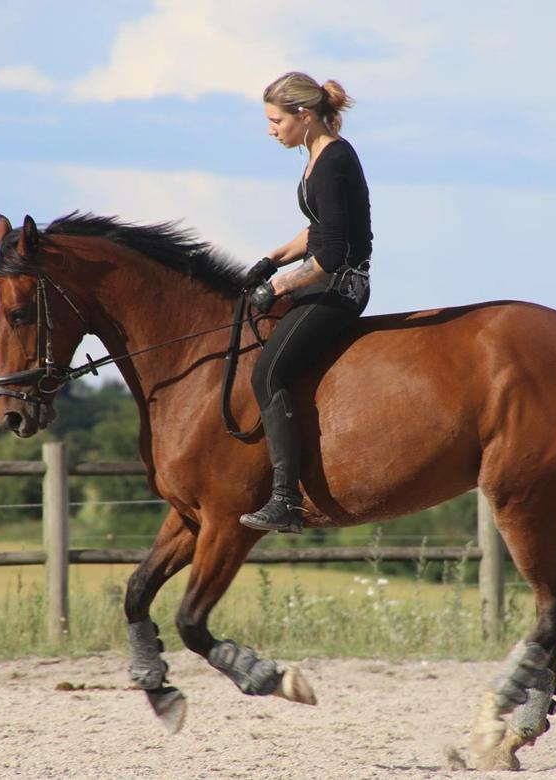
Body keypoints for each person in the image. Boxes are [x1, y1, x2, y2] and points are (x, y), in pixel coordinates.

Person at [239, 71, 373, 534]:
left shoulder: (333, 160)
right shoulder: (317, 155)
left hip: (342, 286)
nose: (270, 129)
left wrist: (276, 288)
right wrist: (271, 259)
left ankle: (285, 499)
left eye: (276, 120)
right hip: (326, 279)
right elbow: (319, 230)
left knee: (268, 373)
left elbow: (332, 255)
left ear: (303, 115)